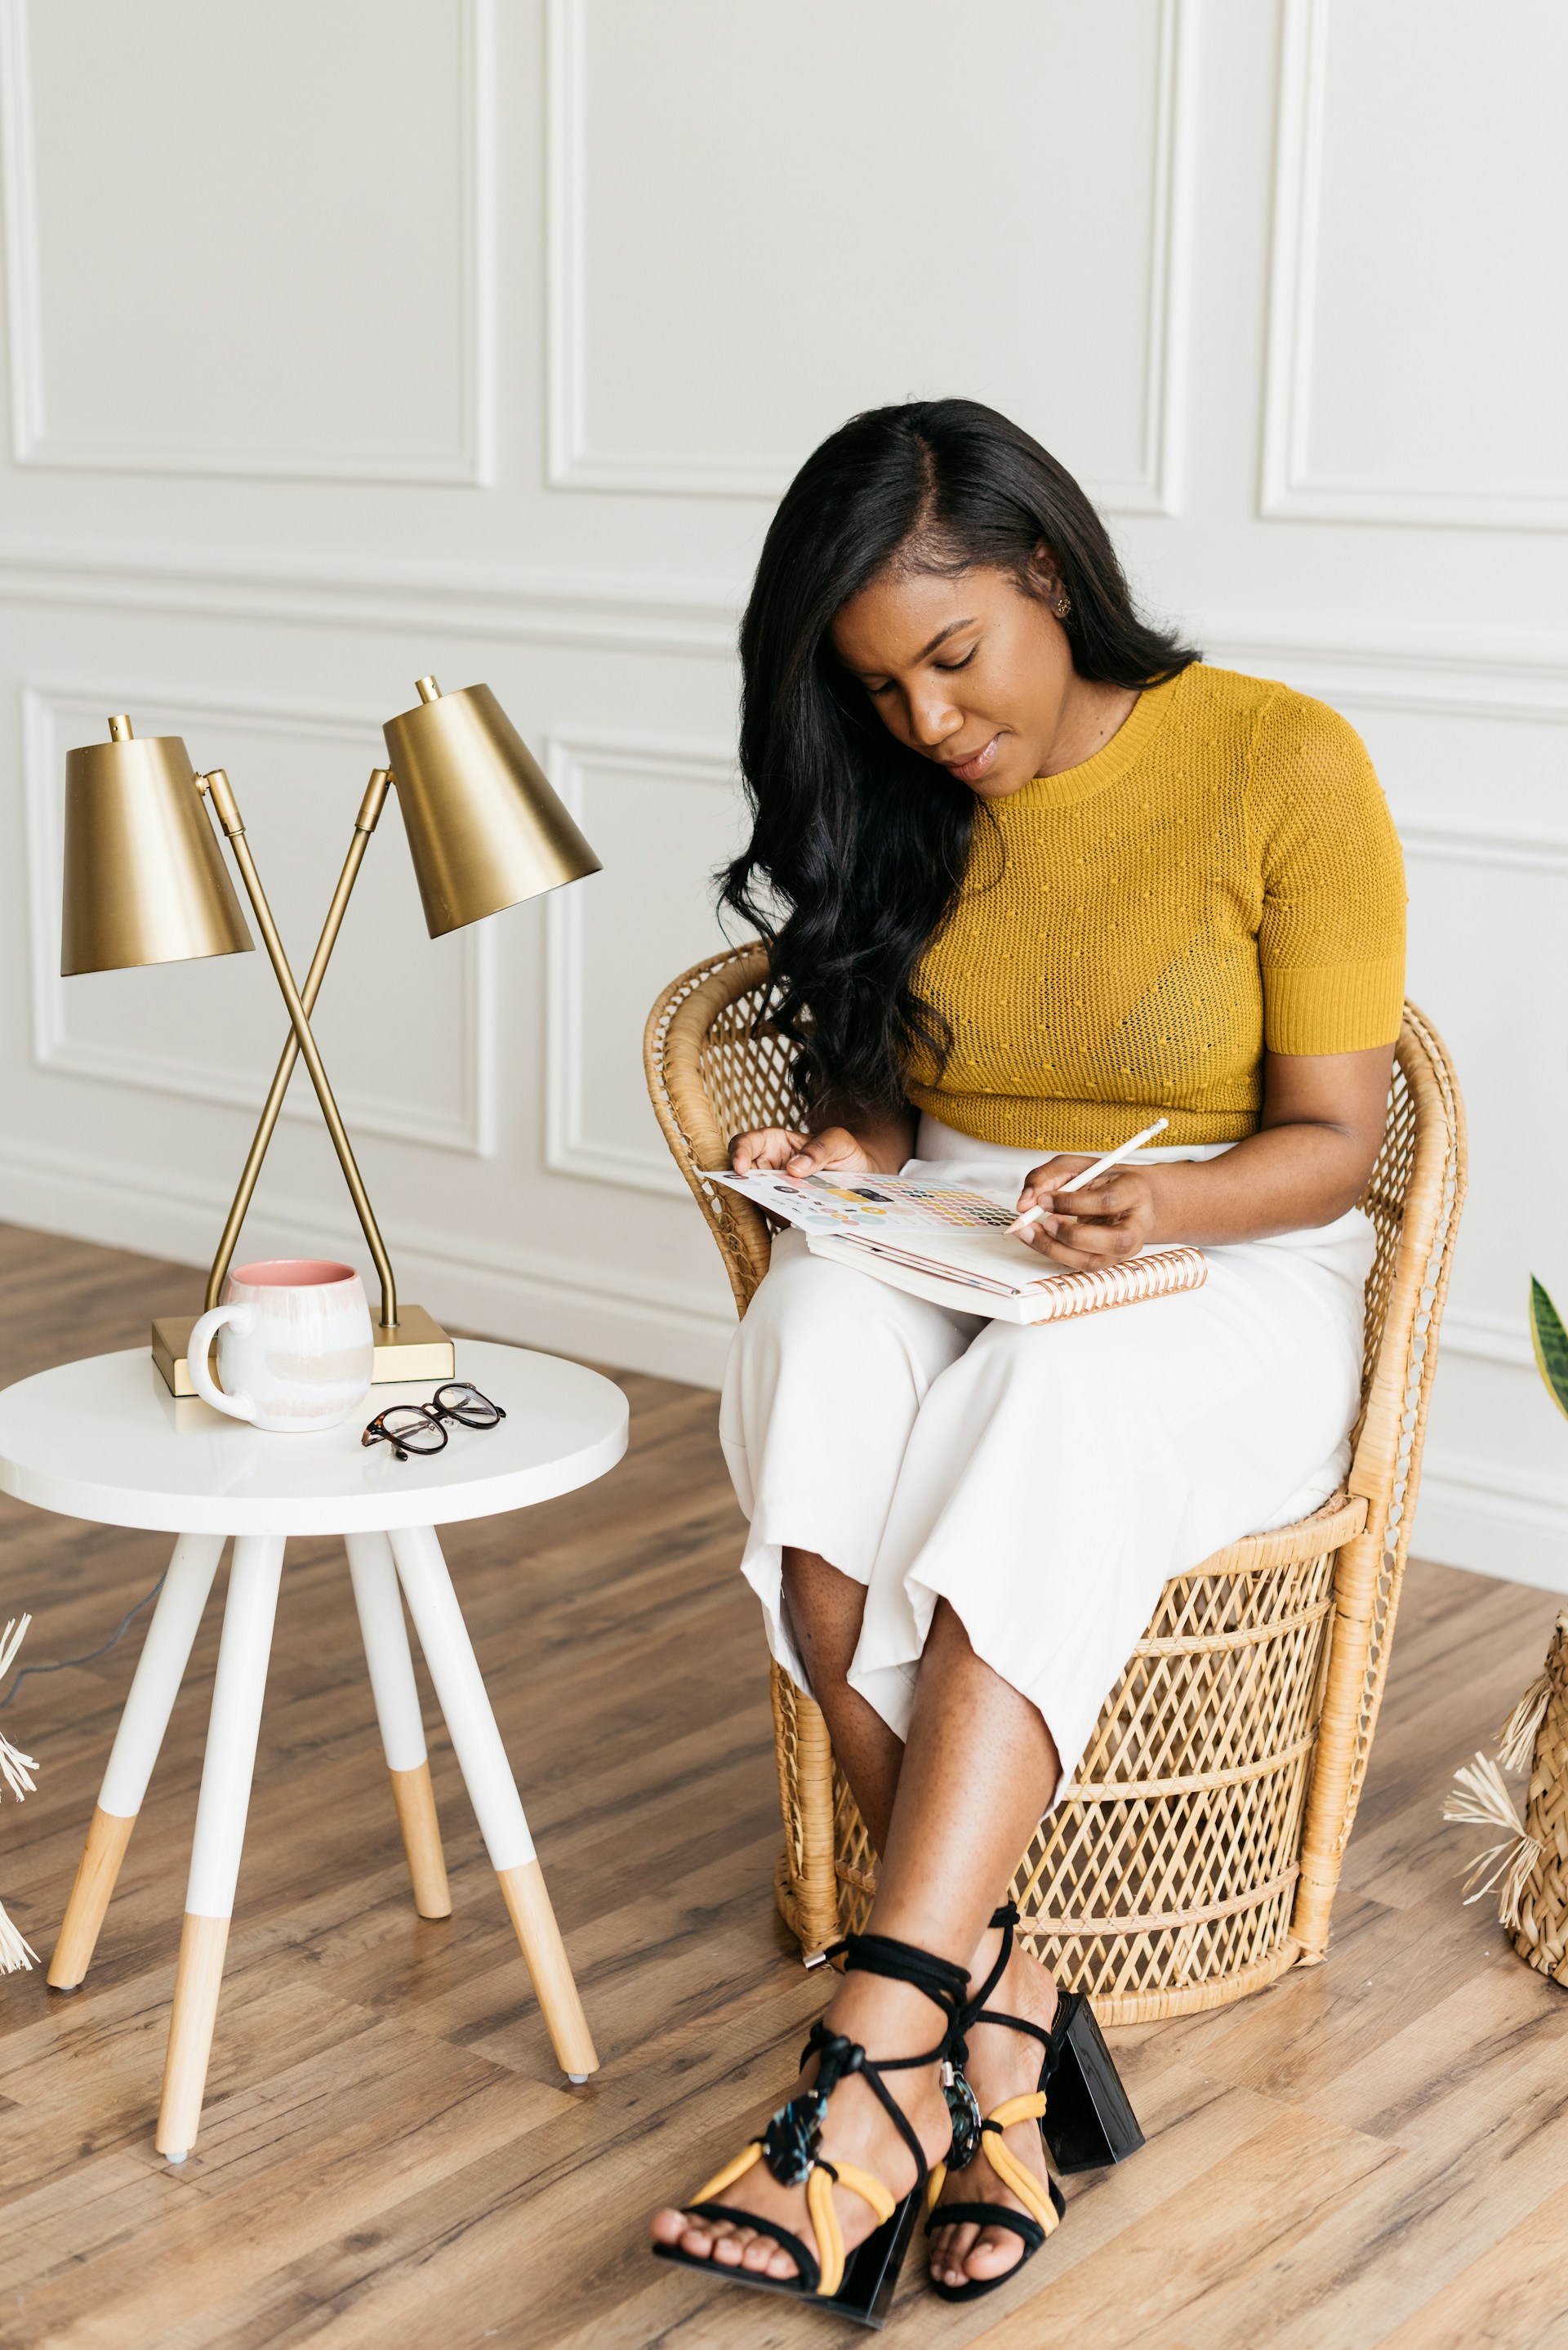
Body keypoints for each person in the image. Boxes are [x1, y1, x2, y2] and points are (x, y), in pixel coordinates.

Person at [650, 399, 1405, 2315]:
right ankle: (997, 2003)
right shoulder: (902, 796)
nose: (924, 723)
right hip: (972, 1227)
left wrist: (1161, 1214)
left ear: (1048, 575)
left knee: (1064, 1384)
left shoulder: (1281, 760)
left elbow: (1331, 1145)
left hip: (1227, 1243)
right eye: (879, 688)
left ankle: (885, 2029)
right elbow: (899, 1096)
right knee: (813, 1328)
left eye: (952, 658)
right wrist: (852, 1161)